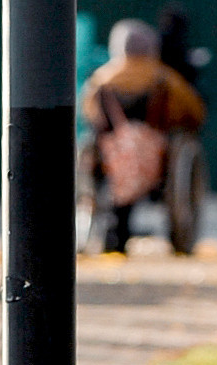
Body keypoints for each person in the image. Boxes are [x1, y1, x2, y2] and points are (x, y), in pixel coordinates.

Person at [80, 16, 207, 257]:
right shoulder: (164, 78)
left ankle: (114, 235)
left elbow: (89, 112)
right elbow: (193, 112)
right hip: (156, 156)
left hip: (111, 157)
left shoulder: (101, 80)